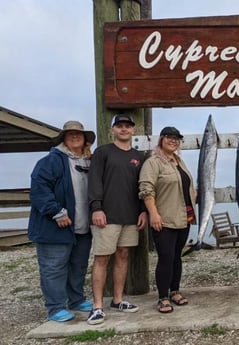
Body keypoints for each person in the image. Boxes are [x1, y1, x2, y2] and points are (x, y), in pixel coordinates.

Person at [28, 120, 96, 322]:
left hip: (83, 226)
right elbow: (39, 190)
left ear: (85, 139)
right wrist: (56, 212)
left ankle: (76, 299)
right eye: (70, 134)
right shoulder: (50, 161)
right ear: (63, 138)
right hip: (55, 226)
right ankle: (55, 307)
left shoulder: (88, 162)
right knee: (54, 267)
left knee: (78, 265)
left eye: (79, 134)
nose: (75, 137)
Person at [87, 114, 147, 325]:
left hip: (130, 216)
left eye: (127, 126)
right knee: (102, 258)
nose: (124, 129)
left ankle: (118, 300)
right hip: (106, 216)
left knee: (123, 256)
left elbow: (142, 187)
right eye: (119, 126)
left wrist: (143, 211)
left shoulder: (139, 156)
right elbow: (94, 181)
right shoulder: (102, 152)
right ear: (113, 129)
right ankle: (97, 306)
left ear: (133, 130)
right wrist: (96, 208)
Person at [139, 127, 196, 313]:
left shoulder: (179, 161)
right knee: (166, 258)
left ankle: (175, 291)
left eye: (177, 138)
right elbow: (146, 189)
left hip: (184, 218)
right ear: (161, 140)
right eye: (169, 137)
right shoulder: (153, 162)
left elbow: (186, 188)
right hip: (164, 219)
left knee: (177, 257)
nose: (173, 141)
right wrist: (153, 214)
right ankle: (162, 297)